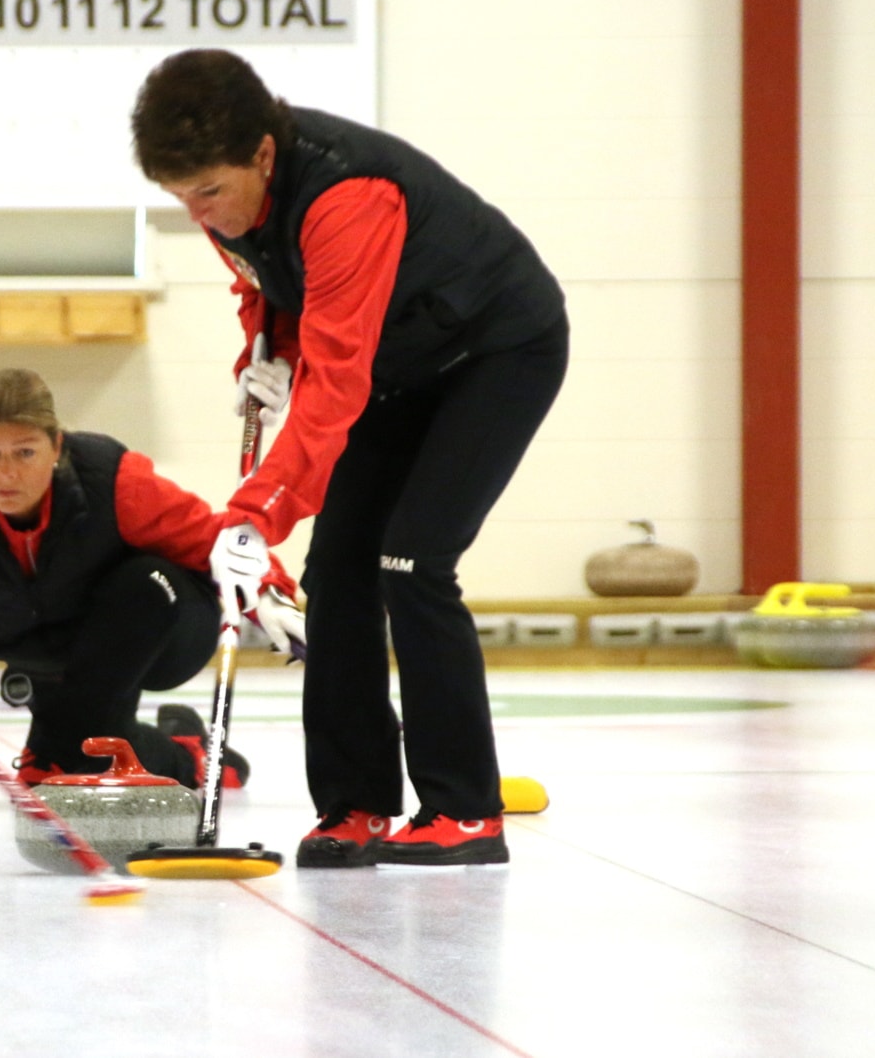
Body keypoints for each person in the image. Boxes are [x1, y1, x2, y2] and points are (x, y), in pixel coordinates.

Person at [131, 49, 568, 868]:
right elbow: (271, 281)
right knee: (337, 572)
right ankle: (357, 803)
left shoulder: (348, 196)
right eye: (179, 197)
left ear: (264, 153)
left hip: (496, 353)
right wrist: (263, 360)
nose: (201, 213)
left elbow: (338, 381)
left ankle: (464, 809)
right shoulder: (230, 200)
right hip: (397, 368)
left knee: (412, 558)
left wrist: (257, 514)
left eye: (210, 192)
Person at [0, 368, 304, 809]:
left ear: (57, 447)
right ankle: (189, 754)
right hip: (50, 659)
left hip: (162, 632)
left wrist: (268, 593)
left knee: (143, 584)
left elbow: (211, 536)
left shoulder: (112, 481)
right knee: (90, 754)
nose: (5, 473)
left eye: (25, 452)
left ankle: (56, 748)